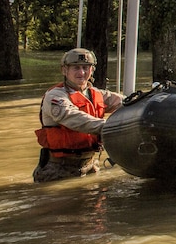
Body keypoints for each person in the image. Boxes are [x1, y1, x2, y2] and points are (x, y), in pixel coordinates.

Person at [33, 48, 124, 183]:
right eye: (76, 68)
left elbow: (127, 101)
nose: (81, 72)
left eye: (85, 67)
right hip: (58, 170)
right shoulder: (55, 96)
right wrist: (112, 126)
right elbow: (75, 118)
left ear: (92, 70)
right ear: (64, 70)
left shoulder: (96, 94)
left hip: (90, 166)